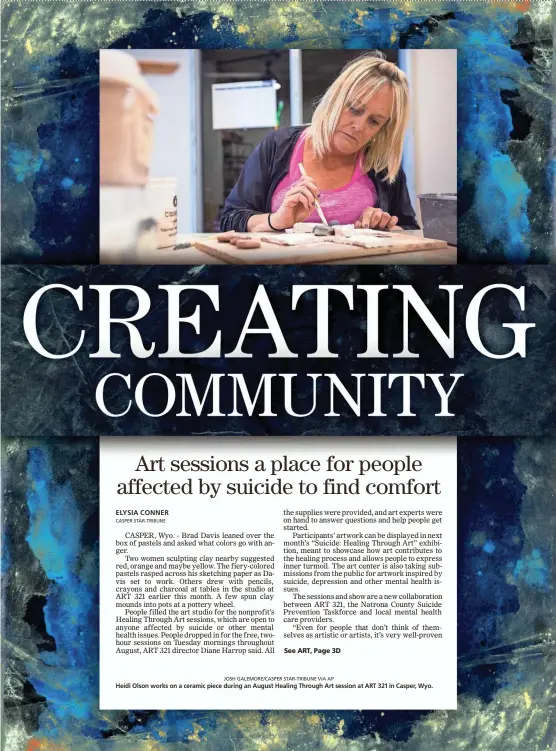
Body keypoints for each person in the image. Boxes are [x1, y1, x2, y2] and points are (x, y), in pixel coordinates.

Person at [220, 53, 419, 233]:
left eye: (374, 121)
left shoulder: (381, 166)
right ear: (335, 99)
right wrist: (275, 221)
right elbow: (231, 218)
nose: (359, 126)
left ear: (383, 128)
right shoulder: (278, 146)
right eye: (354, 109)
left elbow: (410, 229)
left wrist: (385, 228)